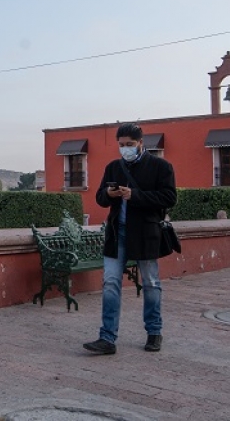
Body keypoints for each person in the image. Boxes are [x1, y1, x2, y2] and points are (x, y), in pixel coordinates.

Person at [83, 123, 177, 355]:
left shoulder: (160, 167)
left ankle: (154, 332)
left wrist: (135, 195)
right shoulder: (113, 167)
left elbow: (169, 197)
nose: (125, 148)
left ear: (141, 143)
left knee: (151, 283)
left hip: (145, 234)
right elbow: (100, 198)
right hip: (117, 234)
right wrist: (109, 194)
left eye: (130, 144)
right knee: (110, 283)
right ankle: (107, 338)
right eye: (122, 145)